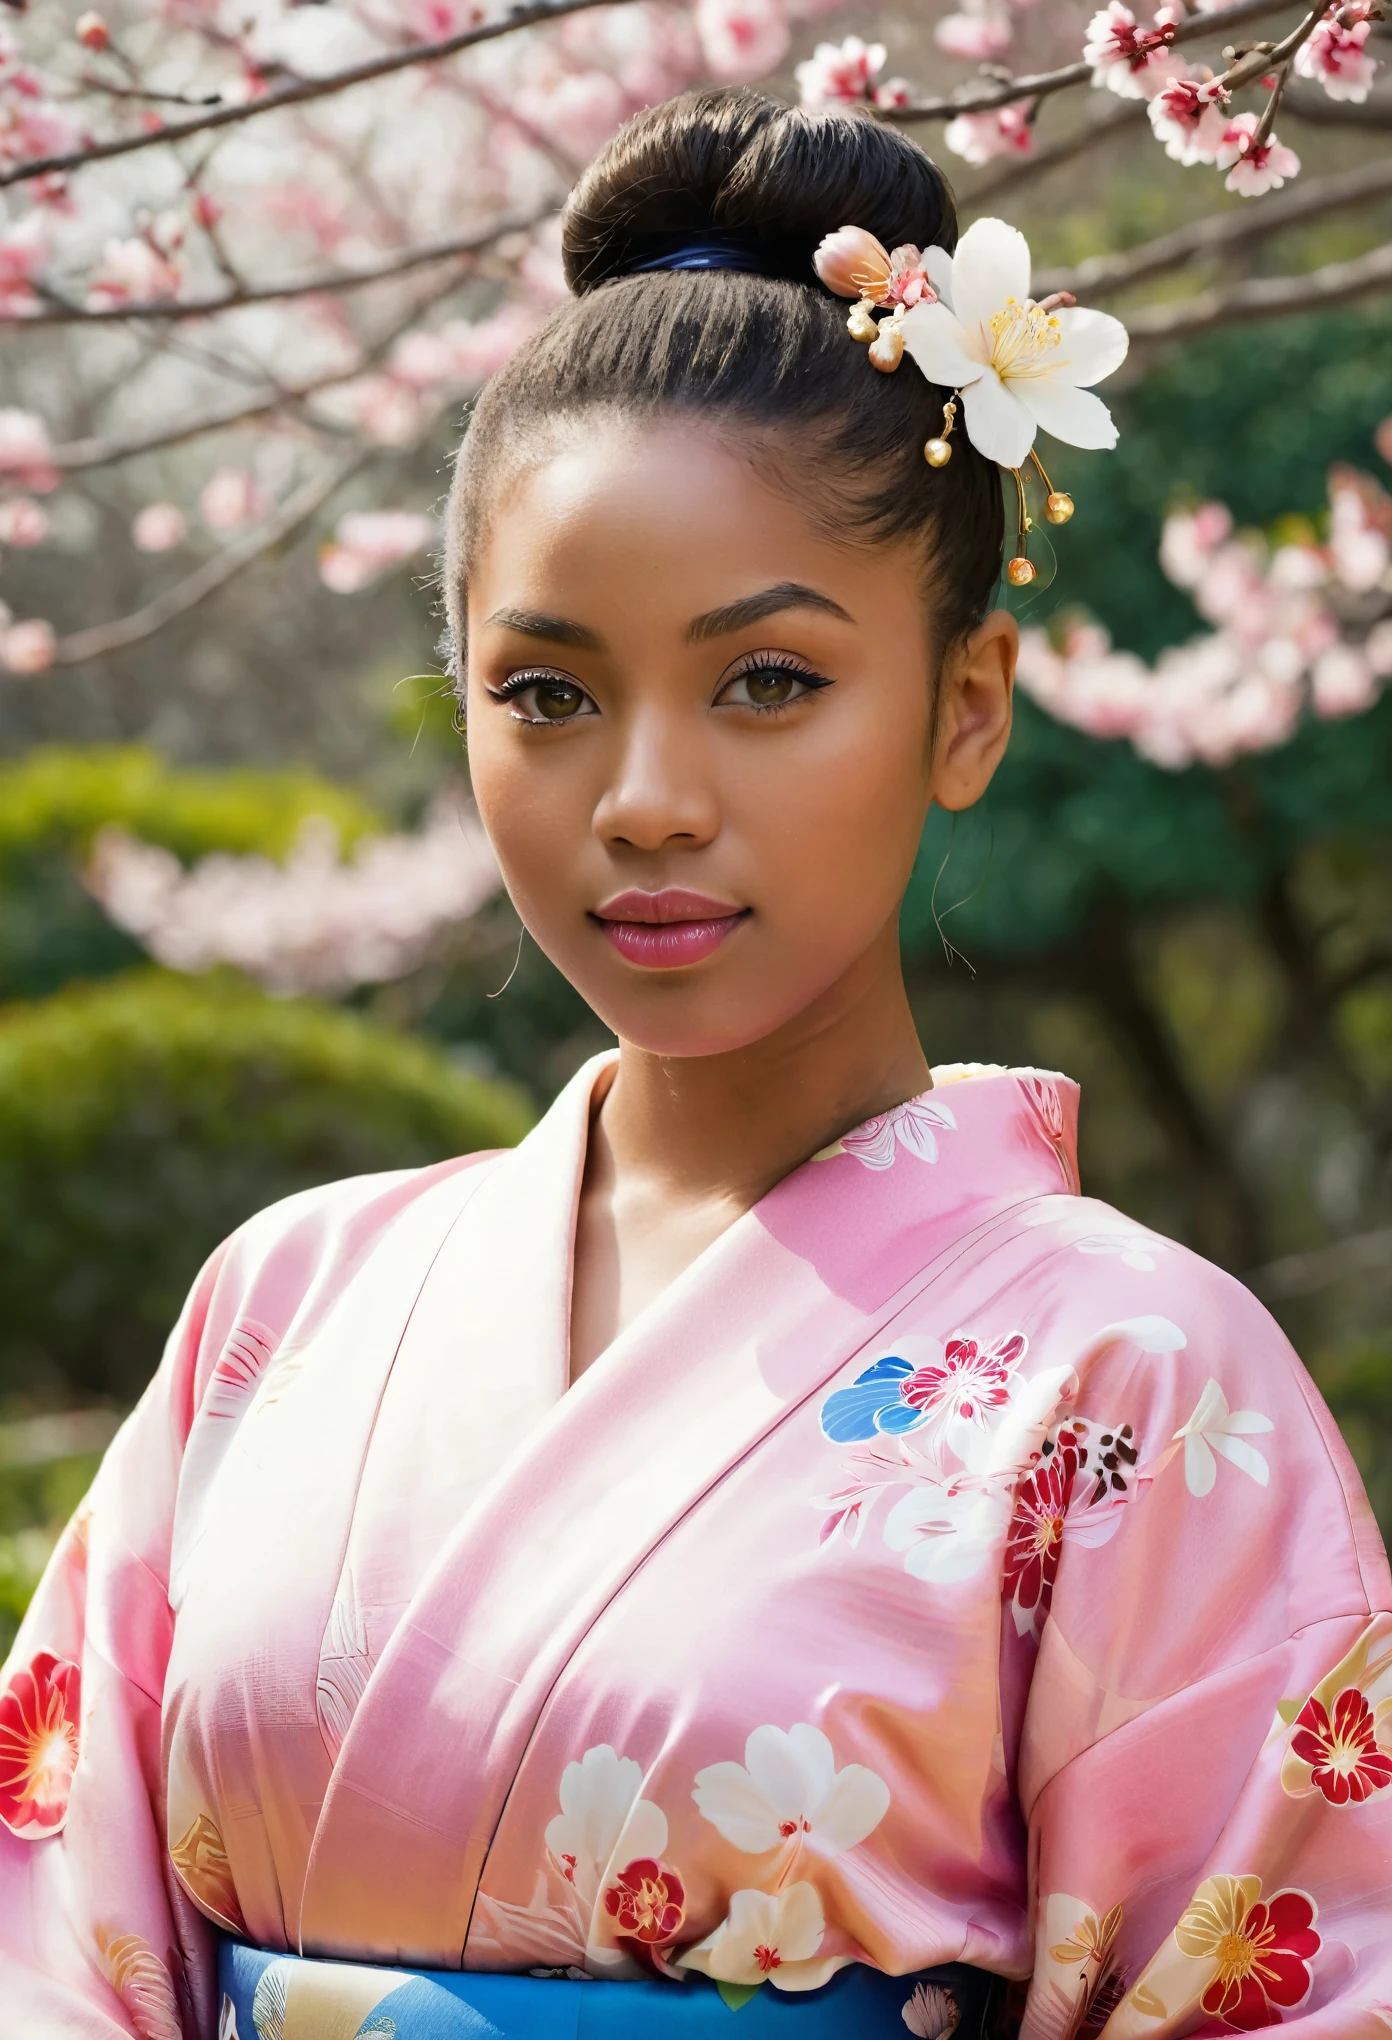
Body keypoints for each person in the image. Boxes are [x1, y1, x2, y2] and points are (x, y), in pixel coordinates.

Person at [2, 87, 1390, 2040]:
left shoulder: (1140, 1389)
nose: (646, 802)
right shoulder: (280, 1309)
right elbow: (57, 1946)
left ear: (966, 706)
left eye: (769, 682)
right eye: (550, 694)